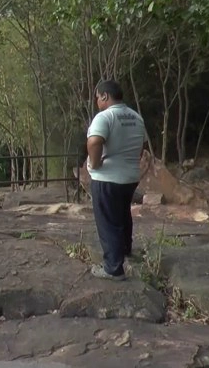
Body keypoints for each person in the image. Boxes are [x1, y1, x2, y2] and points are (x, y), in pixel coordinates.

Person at [86, 79, 146, 281]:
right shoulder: (136, 117)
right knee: (122, 214)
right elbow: (140, 147)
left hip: (107, 178)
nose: (97, 102)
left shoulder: (105, 116)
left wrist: (94, 165)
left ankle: (113, 268)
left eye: (97, 98)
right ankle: (125, 249)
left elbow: (94, 141)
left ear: (105, 96)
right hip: (130, 177)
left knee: (108, 221)